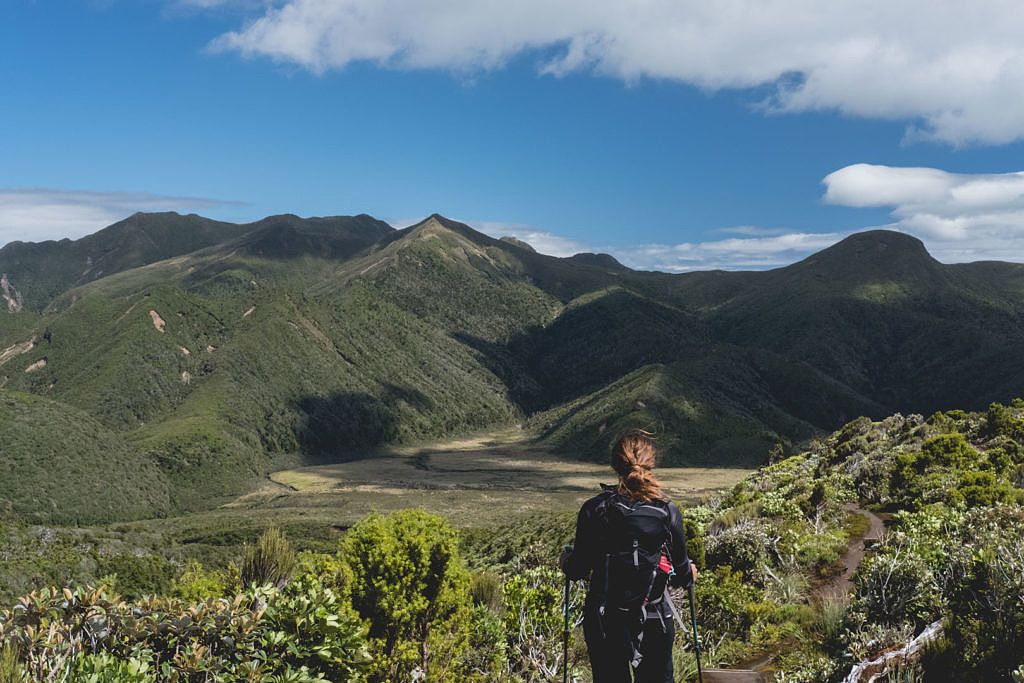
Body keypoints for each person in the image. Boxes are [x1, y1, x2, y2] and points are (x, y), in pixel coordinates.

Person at [560, 429, 698, 683]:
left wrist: (565, 561)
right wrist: (690, 571)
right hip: (655, 617)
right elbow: (683, 576)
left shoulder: (594, 509)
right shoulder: (667, 511)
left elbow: (577, 570)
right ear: (652, 463)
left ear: (615, 466)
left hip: (604, 619)